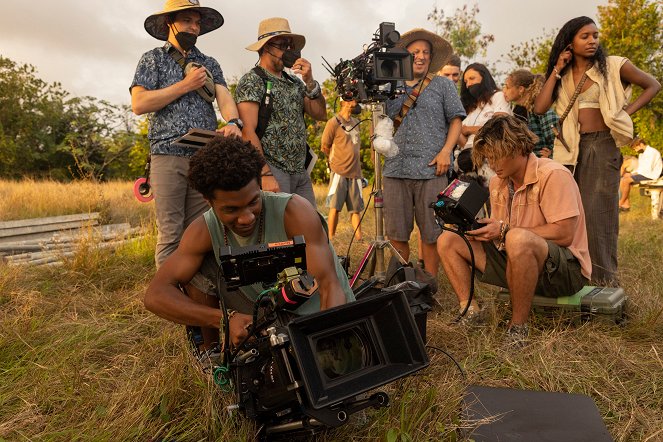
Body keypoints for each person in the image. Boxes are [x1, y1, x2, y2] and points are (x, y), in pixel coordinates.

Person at [144, 135, 354, 350]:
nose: (246, 218)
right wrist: (225, 319)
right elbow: (155, 295)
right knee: (198, 269)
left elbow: (330, 286)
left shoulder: (294, 211)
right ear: (209, 201)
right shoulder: (202, 230)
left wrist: (326, 340)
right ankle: (215, 359)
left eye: (253, 201)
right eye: (231, 209)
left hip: (321, 315)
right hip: (267, 318)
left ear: (260, 184)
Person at [437, 115, 591, 346]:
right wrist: (478, 231)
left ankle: (517, 328)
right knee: (449, 239)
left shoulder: (553, 174)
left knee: (517, 237)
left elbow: (564, 233)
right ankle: (470, 311)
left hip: (564, 272)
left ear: (518, 148)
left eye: (497, 156)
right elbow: (502, 235)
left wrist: (506, 230)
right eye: (489, 158)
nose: (493, 164)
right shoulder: (499, 183)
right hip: (518, 260)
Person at [533, 16, 660, 284]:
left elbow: (653, 85)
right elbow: (539, 107)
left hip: (601, 145)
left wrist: (624, 113)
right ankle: (574, 278)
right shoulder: (563, 74)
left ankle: (604, 283)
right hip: (569, 151)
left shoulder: (613, 65)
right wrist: (557, 67)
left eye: (595, 35)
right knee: (568, 216)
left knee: (598, 216)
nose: (592, 41)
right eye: (585, 36)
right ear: (569, 43)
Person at [130, 0, 242, 299]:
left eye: (197, 22)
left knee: (202, 231)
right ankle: (170, 300)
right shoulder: (151, 59)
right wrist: (186, 85)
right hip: (166, 153)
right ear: (169, 23)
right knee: (171, 232)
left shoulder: (210, 62)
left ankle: (200, 296)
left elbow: (224, 96)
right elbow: (139, 104)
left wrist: (233, 121)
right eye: (187, 20)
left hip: (202, 155)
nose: (194, 27)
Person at [384, 28, 466, 277]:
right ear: (404, 56)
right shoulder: (389, 86)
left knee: (432, 234)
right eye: (415, 51)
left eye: (426, 52)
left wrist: (446, 152)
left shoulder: (442, 85)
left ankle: (428, 289)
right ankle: (400, 286)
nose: (421, 56)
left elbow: (456, 120)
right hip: (394, 169)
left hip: (432, 169)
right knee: (397, 234)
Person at [235, 17, 326, 207]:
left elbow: (320, 113)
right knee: (278, 232)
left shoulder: (295, 82)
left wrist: (310, 81)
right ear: (266, 46)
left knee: (310, 226)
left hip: (300, 171)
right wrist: (265, 173)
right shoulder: (253, 80)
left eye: (290, 46)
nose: (288, 51)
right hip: (273, 170)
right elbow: (247, 131)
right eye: (283, 45)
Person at [320, 98, 364, 241]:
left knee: (355, 209)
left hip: (355, 172)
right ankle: (330, 238)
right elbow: (325, 146)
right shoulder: (333, 122)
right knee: (335, 207)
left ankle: (359, 239)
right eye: (353, 99)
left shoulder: (356, 123)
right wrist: (334, 161)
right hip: (339, 171)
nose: (356, 101)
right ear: (344, 102)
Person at [503, 69, 558, 158]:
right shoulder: (517, 112)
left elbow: (557, 139)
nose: (504, 91)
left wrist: (552, 155)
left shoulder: (539, 109)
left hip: (544, 165)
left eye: (508, 87)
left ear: (521, 89)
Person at [459, 62, 512, 150]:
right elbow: (465, 144)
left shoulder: (498, 96)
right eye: (466, 82)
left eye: (472, 78)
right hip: (467, 158)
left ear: (484, 78)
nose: (468, 84)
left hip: (491, 157)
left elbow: (501, 128)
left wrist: (469, 129)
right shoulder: (471, 108)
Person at [619, 137, 662, 211]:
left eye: (636, 148)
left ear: (641, 144)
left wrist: (632, 175)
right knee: (623, 178)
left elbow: (647, 169)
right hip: (644, 174)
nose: (635, 151)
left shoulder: (652, 152)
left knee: (626, 180)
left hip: (651, 175)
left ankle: (621, 202)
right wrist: (631, 174)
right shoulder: (642, 154)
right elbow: (640, 169)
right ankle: (626, 204)